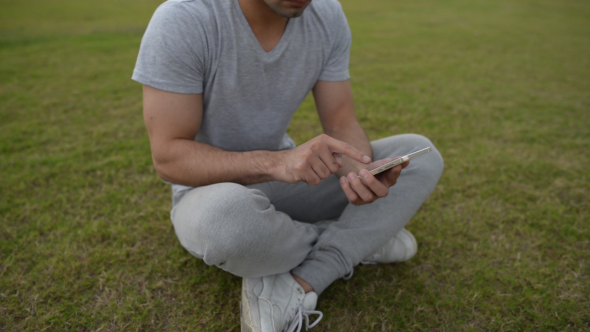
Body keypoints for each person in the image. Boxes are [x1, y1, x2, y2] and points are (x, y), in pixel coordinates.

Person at [132, 0, 444, 330]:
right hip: (209, 193)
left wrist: (360, 175)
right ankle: (357, 241)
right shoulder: (184, 19)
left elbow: (340, 122)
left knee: (418, 154)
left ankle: (304, 271)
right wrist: (277, 162)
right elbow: (169, 157)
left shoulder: (326, 14)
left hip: (287, 184)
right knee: (228, 225)